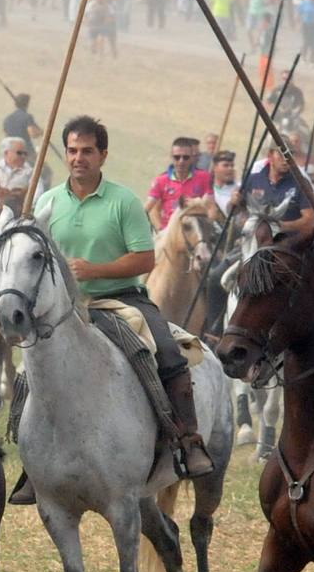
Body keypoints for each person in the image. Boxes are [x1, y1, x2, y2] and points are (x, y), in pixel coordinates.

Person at [15, 116, 216, 504]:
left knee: (168, 352)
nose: (78, 158)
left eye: (87, 151)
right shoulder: (47, 201)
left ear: (102, 154)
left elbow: (145, 260)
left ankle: (186, 441)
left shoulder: (123, 201)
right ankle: (32, 462)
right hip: (64, 308)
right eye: (72, 150)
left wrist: (95, 270)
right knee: (29, 369)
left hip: (122, 299)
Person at [241, 146, 314, 238]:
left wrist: (282, 226)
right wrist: (234, 202)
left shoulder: (301, 183)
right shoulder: (253, 179)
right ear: (270, 155)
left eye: (289, 156)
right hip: (254, 240)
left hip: (287, 245)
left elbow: (310, 220)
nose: (285, 161)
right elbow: (237, 211)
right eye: (281, 156)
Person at [146, 136, 213, 229]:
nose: (181, 161)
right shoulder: (161, 180)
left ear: (191, 158)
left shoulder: (204, 177)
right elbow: (148, 208)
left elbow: (211, 206)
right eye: (177, 157)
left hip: (195, 231)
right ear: (171, 157)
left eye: (185, 157)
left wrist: (198, 203)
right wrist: (160, 229)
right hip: (168, 232)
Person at [0, 136, 38, 221]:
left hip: (16, 221)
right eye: (19, 153)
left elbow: (37, 197)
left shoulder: (32, 174)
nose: (23, 156)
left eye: (25, 153)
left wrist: (18, 196)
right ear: (6, 153)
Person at [210, 149, 240, 214]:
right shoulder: (207, 189)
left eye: (232, 166)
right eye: (225, 165)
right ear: (215, 168)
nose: (230, 168)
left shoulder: (239, 189)